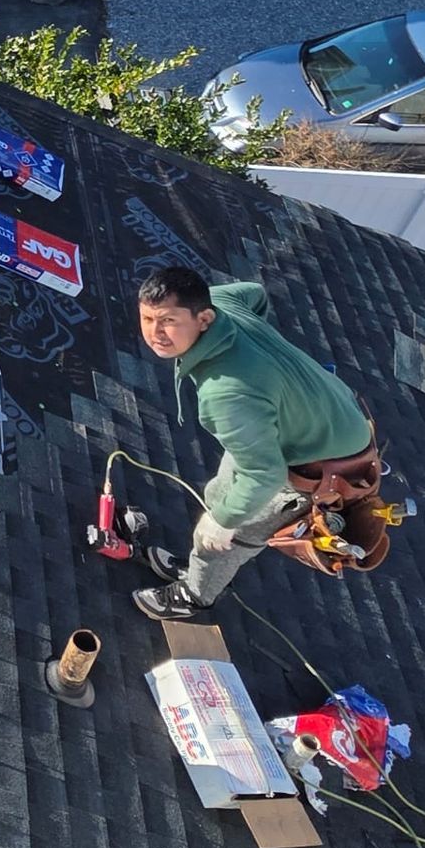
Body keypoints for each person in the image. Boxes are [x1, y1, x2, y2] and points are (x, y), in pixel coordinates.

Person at [133, 265, 373, 621]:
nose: (155, 333)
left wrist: (224, 521)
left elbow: (266, 474)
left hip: (316, 462)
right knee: (219, 496)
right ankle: (200, 565)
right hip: (320, 416)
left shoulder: (225, 393)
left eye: (168, 320)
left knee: (227, 536)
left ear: (204, 318)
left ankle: (196, 593)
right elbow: (255, 292)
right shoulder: (222, 301)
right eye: (148, 318)